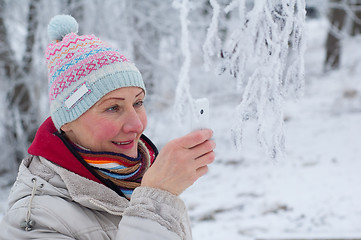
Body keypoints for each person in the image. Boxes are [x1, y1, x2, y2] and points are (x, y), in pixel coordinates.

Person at [0, 15, 215, 240]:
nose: (137, 124)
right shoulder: (34, 220)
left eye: (138, 103)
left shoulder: (132, 180)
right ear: (67, 121)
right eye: (113, 107)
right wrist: (154, 201)